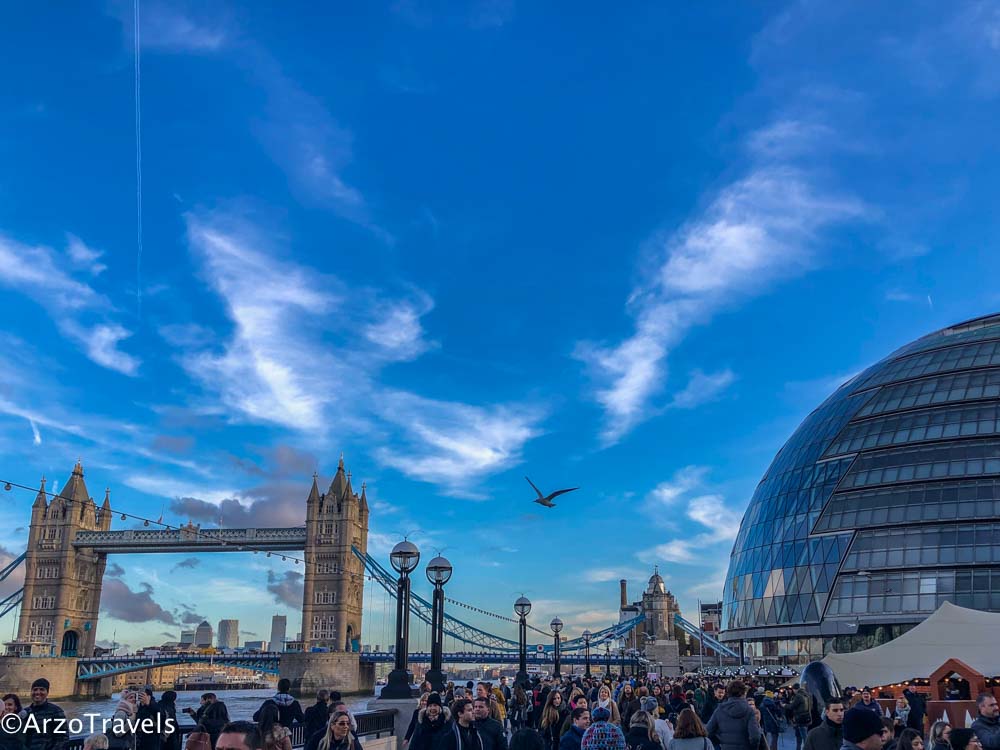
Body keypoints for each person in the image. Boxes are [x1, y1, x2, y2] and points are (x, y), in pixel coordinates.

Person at [705, 682, 760, 750]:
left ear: (728, 693)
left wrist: (719, 742)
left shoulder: (720, 709)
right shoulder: (749, 710)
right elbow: (755, 737)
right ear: (744, 693)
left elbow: (708, 731)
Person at [23, 678, 67, 750]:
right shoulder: (25, 712)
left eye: (42, 689)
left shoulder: (56, 712)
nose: (37, 692)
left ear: (47, 692)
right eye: (35, 689)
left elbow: (62, 738)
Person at [787, 685, 812, 750]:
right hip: (806, 717)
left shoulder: (798, 696)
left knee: (803, 737)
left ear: (795, 689)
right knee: (802, 735)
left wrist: (784, 705)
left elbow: (792, 706)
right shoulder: (807, 695)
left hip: (800, 718)